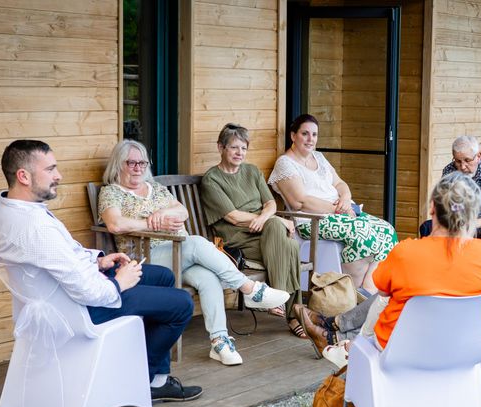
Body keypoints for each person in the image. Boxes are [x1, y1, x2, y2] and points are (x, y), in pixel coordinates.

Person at [0, 139, 199, 402]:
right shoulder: (35, 227)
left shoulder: (4, 209)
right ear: (23, 176)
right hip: (76, 310)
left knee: (163, 276)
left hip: (58, 295)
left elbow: (56, 258)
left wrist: (97, 261)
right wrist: (120, 282)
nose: (58, 175)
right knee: (182, 304)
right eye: (50, 169)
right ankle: (143, 378)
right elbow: (87, 290)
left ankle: (157, 378)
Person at [98, 140, 290, 366]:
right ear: (118, 165)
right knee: (196, 243)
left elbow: (183, 211)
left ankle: (219, 342)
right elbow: (116, 225)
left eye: (142, 162)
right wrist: (152, 224)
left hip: (179, 253)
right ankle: (249, 289)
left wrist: (164, 211)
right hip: (146, 257)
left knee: (208, 278)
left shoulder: (155, 189)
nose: (139, 167)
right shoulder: (112, 192)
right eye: (131, 163)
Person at [294, 171, 481, 368]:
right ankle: (338, 330)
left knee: (388, 298)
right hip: (462, 352)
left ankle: (342, 338)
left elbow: (382, 297)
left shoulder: (406, 252)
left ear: (432, 208)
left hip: (400, 351)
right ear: (473, 214)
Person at [268, 114, 398, 293]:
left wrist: (345, 198)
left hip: (340, 211)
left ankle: (366, 288)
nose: (310, 139)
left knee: (387, 231)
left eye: (314, 135)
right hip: (313, 220)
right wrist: (337, 210)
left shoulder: (319, 157)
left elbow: (339, 183)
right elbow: (299, 201)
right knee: (363, 236)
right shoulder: (285, 163)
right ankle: (351, 289)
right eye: (305, 134)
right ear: (293, 136)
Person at [200, 124, 305, 338]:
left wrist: (267, 218)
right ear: (221, 147)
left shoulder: (252, 171)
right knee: (290, 245)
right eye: (234, 148)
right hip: (237, 238)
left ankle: (279, 300)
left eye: (244, 148)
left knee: (285, 238)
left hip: (265, 232)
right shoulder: (211, 180)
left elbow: (270, 204)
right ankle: (294, 313)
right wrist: (269, 219)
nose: (240, 153)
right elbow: (233, 217)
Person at [420, 135, 481, 239]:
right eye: (458, 161)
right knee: (427, 227)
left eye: (467, 160)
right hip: (456, 220)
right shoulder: (449, 170)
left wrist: (474, 223)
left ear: (478, 156)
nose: (462, 167)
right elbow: (444, 204)